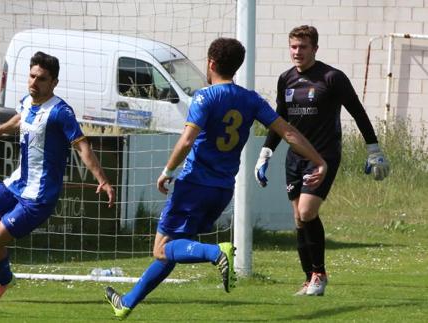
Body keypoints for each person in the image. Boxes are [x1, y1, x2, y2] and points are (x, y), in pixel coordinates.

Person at [104, 37, 327, 320]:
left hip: (194, 185)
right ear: (236, 66)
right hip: (222, 190)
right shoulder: (251, 99)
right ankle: (127, 303)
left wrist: (166, 172)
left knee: (161, 249)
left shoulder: (204, 97)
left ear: (211, 63)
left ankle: (215, 253)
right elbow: (289, 133)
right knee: (175, 247)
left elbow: (186, 141)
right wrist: (319, 160)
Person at [0, 51, 115, 302]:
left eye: (41, 79)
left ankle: (3, 280)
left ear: (54, 83)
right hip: (16, 183)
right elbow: (20, 118)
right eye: (32, 76)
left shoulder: (61, 112)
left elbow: (82, 146)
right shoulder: (26, 101)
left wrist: (102, 179)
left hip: (39, 197)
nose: (34, 82)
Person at [254, 25, 390, 297]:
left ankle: (319, 274)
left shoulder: (332, 78)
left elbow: (358, 112)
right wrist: (266, 152)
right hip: (295, 157)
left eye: (303, 47)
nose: (297, 52)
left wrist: (373, 149)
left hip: (325, 155)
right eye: (293, 46)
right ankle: (308, 280)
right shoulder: (285, 79)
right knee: (298, 218)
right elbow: (281, 119)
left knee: (307, 212)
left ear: (315, 48)